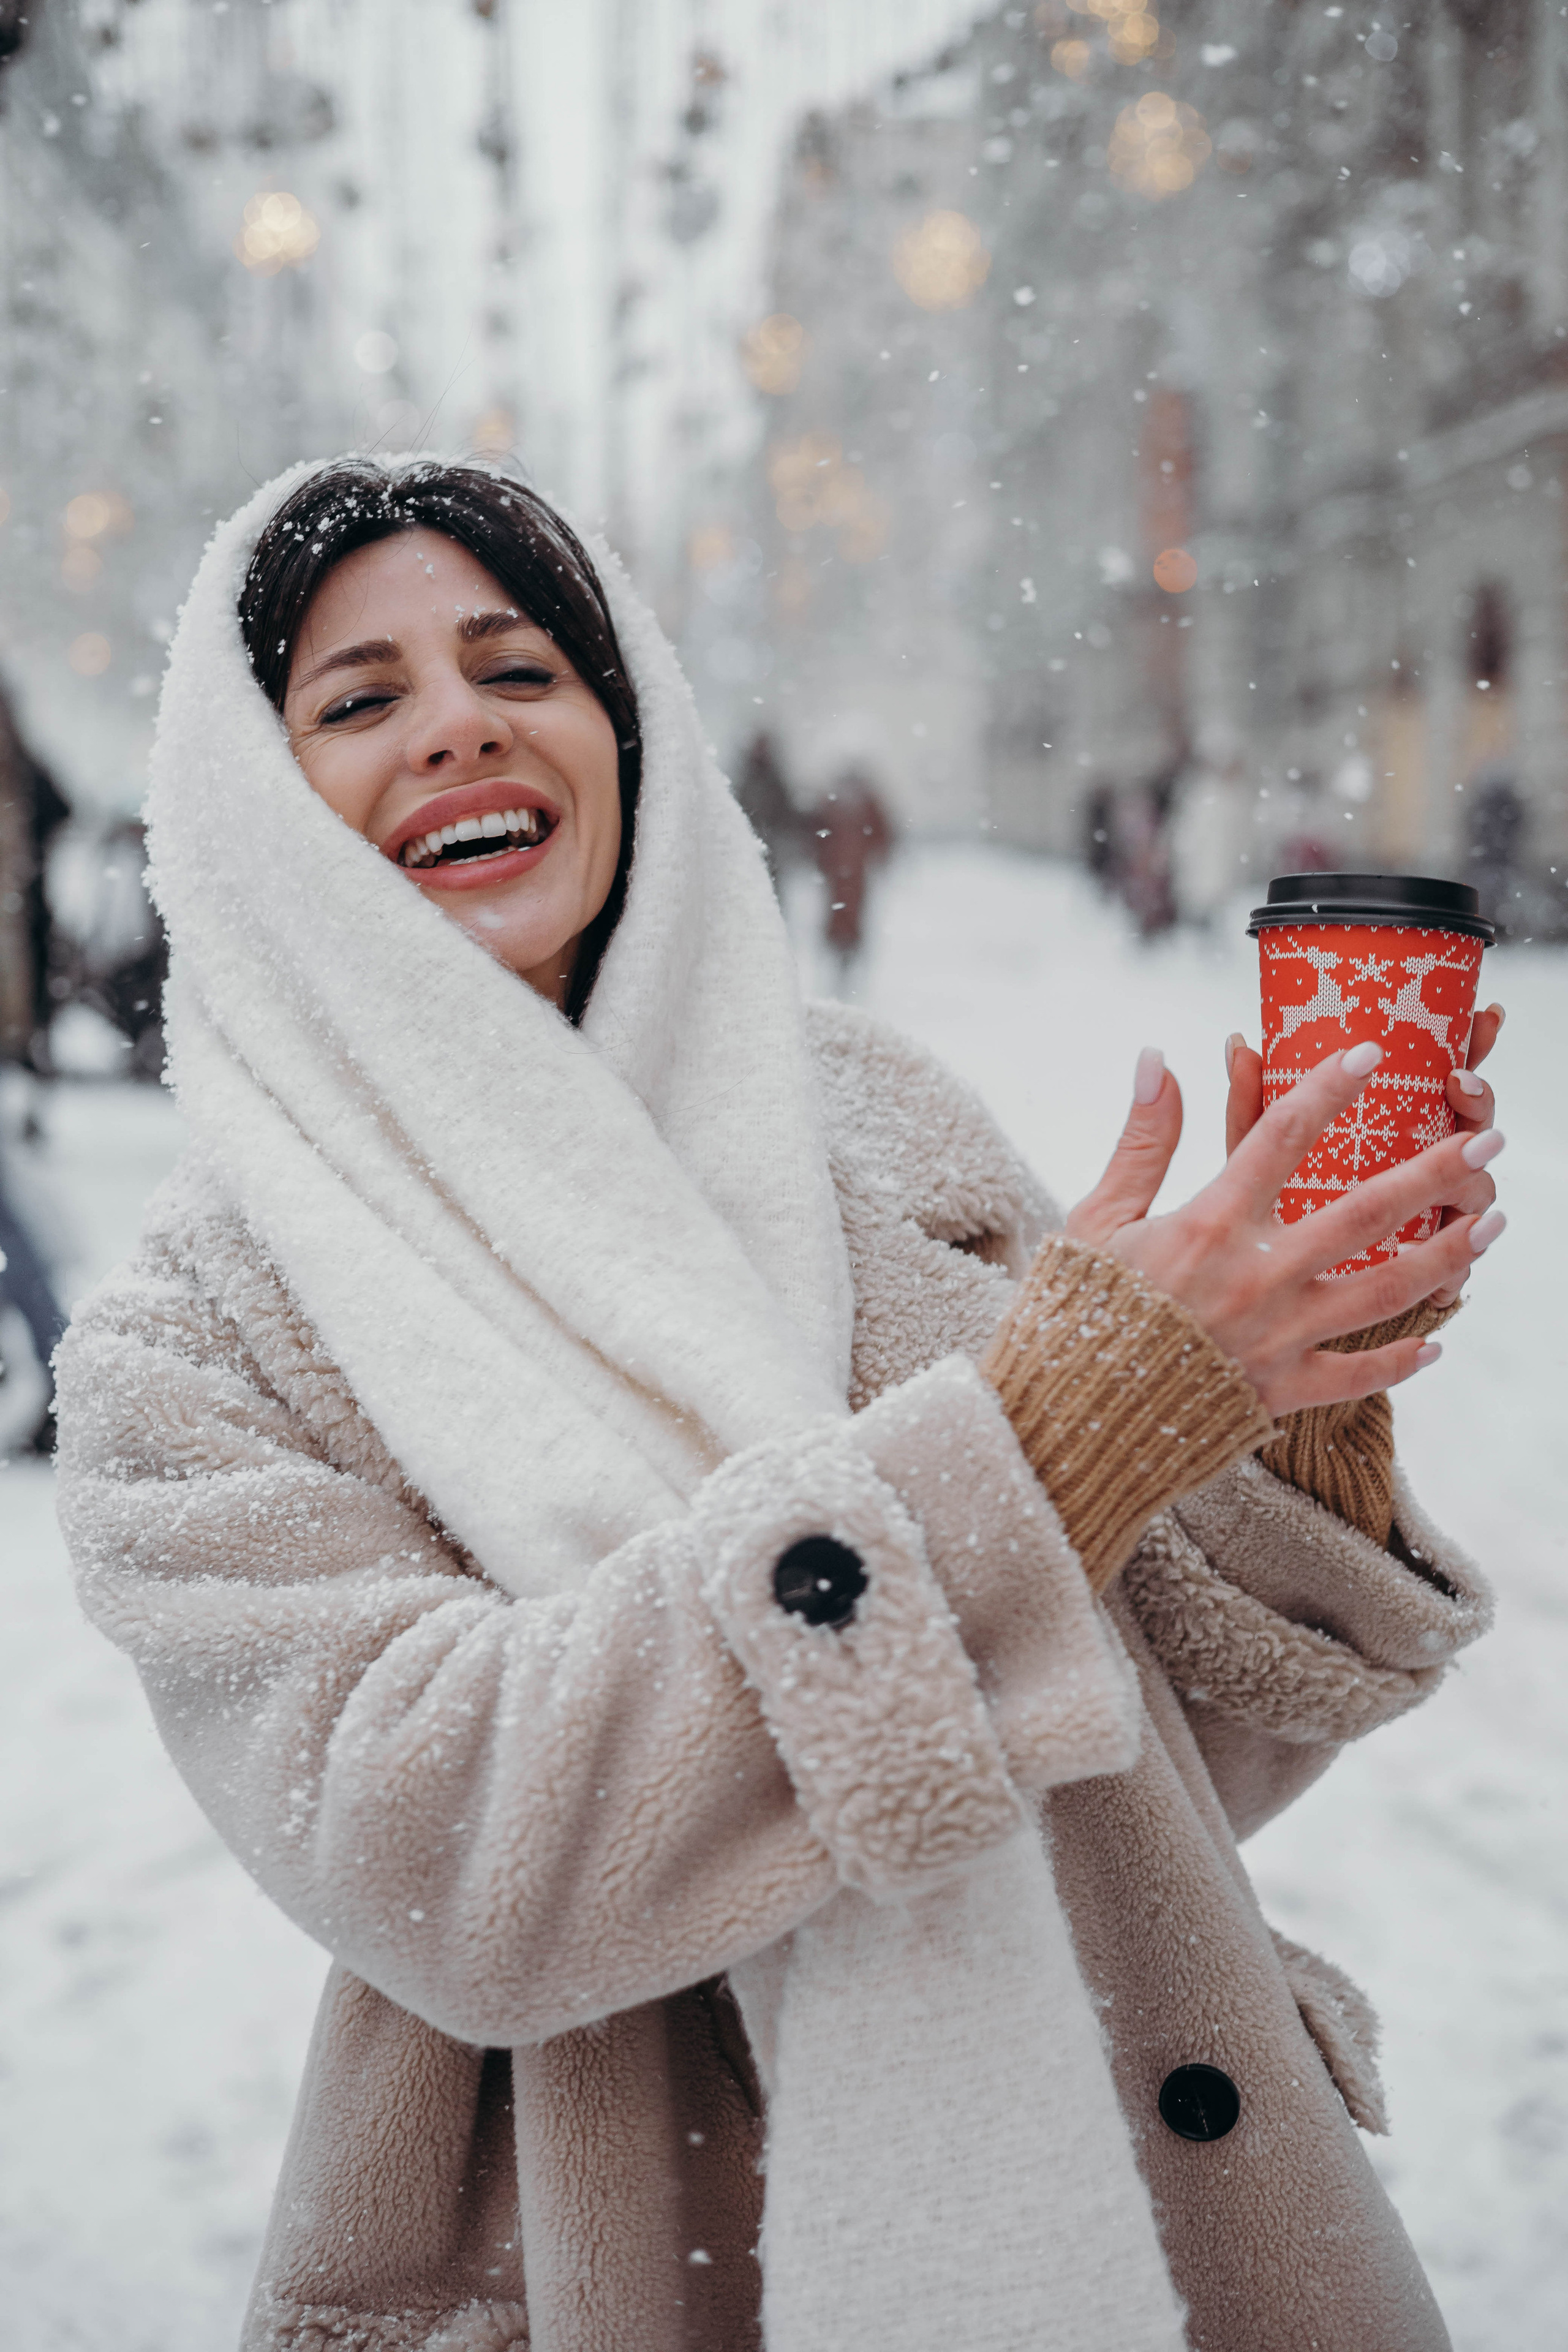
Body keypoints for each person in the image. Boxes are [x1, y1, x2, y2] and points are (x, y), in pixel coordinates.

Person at [55, 456, 1506, 2352]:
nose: (457, 731)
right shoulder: (199, 1335)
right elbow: (457, 1862)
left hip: (1132, 2226)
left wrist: (1291, 1419)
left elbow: (1136, 1771)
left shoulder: (871, 1128)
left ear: (625, 722)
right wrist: (1046, 1447)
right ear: (254, 808)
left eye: (521, 669)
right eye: (358, 700)